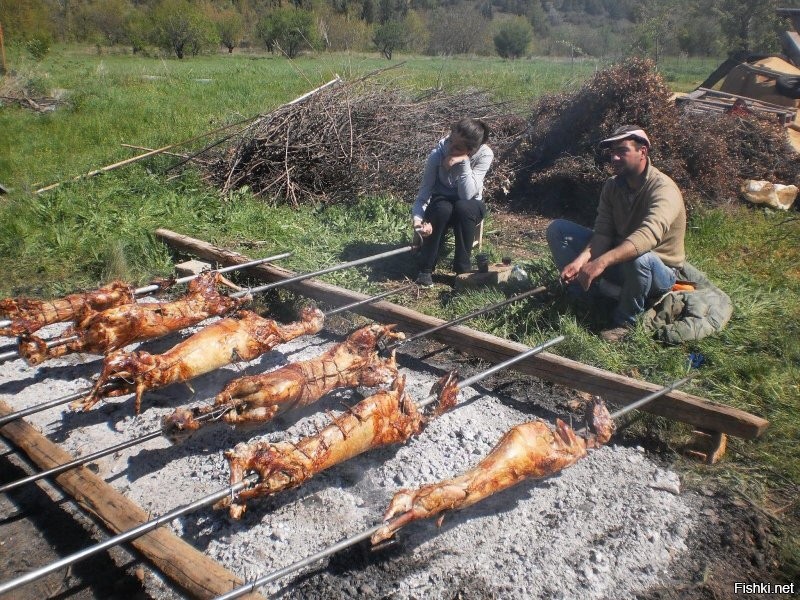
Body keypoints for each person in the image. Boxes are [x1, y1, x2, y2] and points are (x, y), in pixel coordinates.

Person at [546, 125, 687, 342]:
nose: (615, 157)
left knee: (639, 256)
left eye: (622, 151)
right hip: (620, 261)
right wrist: (580, 261)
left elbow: (646, 237)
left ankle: (625, 322)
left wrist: (600, 263)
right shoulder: (612, 186)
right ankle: (583, 297)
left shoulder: (663, 189)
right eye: (612, 152)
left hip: (658, 271)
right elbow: (602, 234)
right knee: (558, 230)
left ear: (643, 152)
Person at [412, 118, 493, 287]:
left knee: (464, 207)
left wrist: (463, 163)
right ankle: (425, 268)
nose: (450, 148)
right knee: (441, 208)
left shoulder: (485, 155)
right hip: (442, 200)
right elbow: (424, 194)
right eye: (450, 141)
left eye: (457, 147)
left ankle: (462, 271)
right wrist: (418, 220)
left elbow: (467, 194)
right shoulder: (437, 155)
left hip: (470, 202)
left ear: (471, 151)